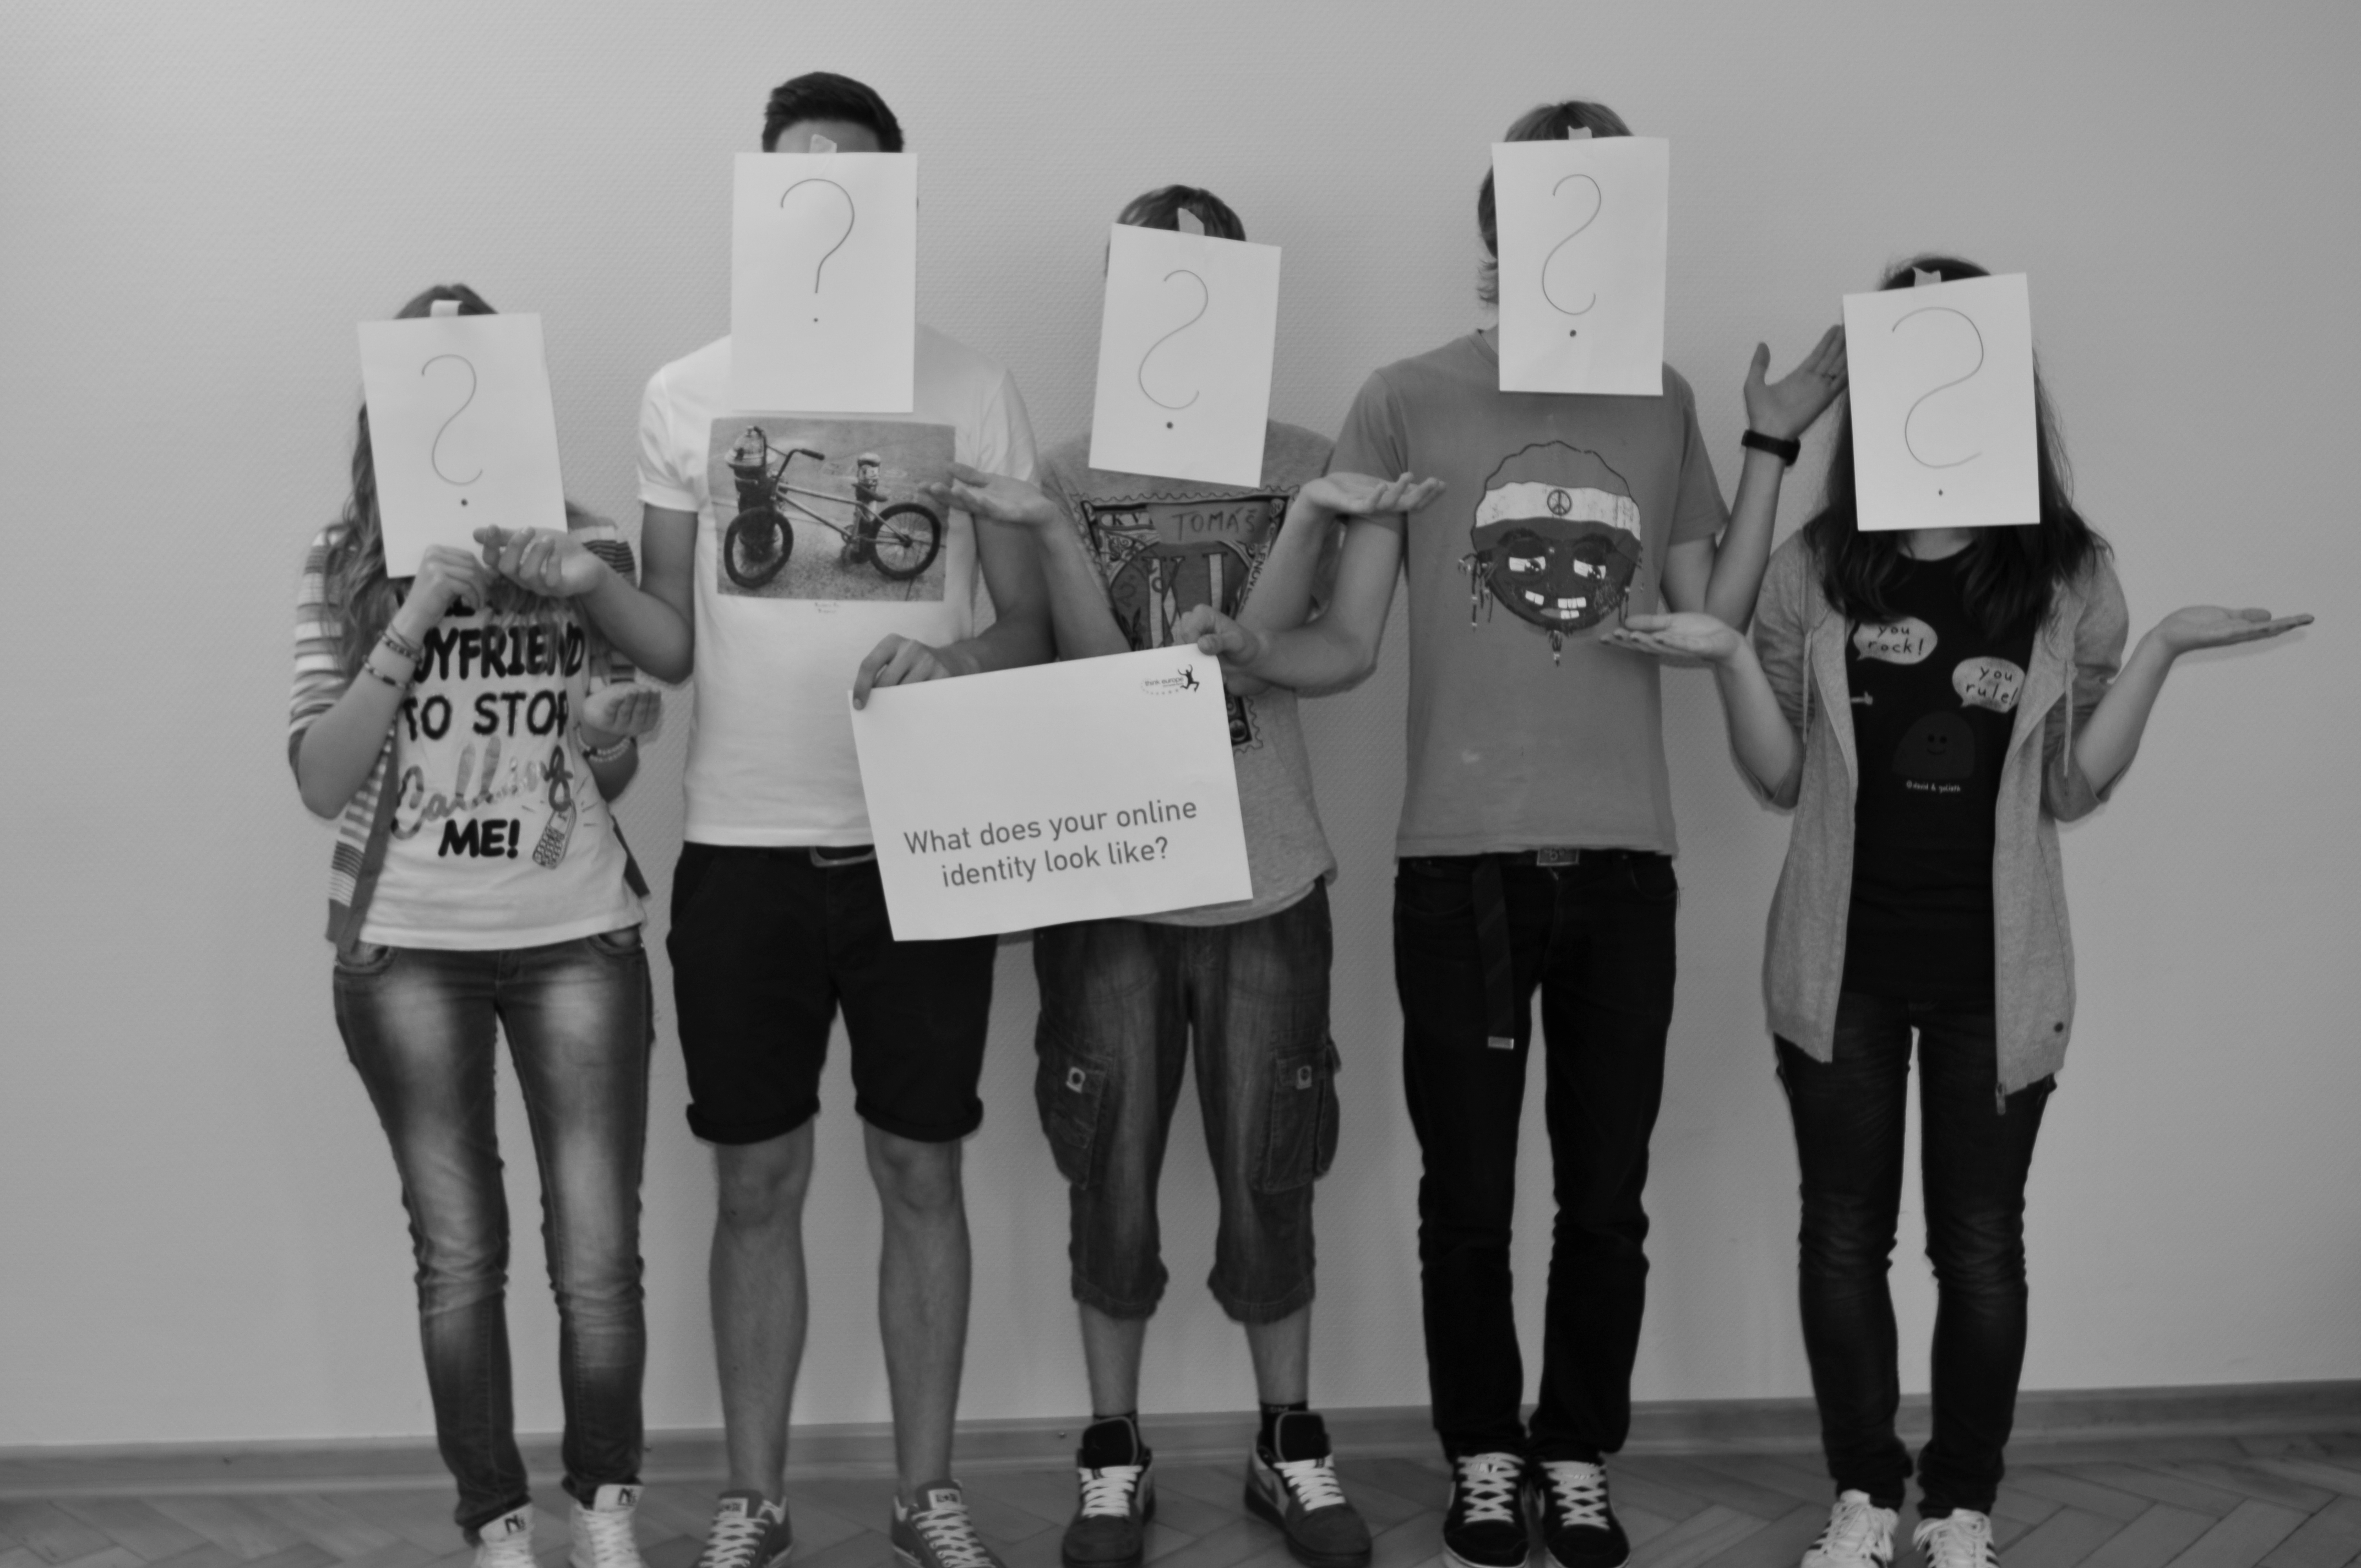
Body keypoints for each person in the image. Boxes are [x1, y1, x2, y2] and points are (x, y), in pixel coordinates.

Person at [1174, 102, 1848, 1568]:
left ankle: (1573, 1452)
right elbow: (1347, 643)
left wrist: (1768, 443)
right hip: (1457, 866)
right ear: (1498, 234)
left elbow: (1714, 619)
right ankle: (1485, 1454)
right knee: (1468, 1197)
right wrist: (1245, 650)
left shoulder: (1661, 399)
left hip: (1626, 863)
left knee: (1606, 1195)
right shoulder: (1405, 398)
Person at [1602, 255, 2310, 1568]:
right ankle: (1864, 1495)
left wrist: (2156, 649)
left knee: (1979, 1245)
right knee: (1841, 1236)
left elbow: (2070, 787)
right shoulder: (1818, 568)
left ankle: (1963, 1503)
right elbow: (1777, 777)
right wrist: (1725, 658)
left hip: (2001, 974)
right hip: (1840, 968)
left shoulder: (2064, 574)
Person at [474, 71, 1053, 1568]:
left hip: (927, 845)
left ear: (894, 204)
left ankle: (927, 1494)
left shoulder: (973, 386)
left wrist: (954, 658)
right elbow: (669, 638)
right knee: (756, 1181)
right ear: (760, 197)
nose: (825, 202)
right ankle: (754, 1496)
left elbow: (1031, 627)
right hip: (741, 849)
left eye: (854, 178)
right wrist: (588, 585)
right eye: (799, 176)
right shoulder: (688, 391)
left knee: (922, 1170)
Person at [937, 186, 1444, 1568]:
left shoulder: (1310, 459)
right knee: (1104, 1170)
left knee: (1272, 1167)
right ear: (1122, 296)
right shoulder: (1062, 470)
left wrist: (1308, 529)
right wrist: (1051, 535)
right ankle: (1112, 1449)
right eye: (1154, 273)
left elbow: (1315, 655)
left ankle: (1288, 1440)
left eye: (1208, 273)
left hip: (1266, 879)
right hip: (1109, 888)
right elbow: (1097, 680)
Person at [289, 284, 663, 1568]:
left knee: (598, 1251)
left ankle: (605, 1509)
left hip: (577, 933)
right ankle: (495, 1522)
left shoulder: (584, 547)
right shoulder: (341, 563)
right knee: (457, 1253)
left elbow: (605, 764)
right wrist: (409, 616)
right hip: (404, 946)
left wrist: (606, 736)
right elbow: (320, 777)